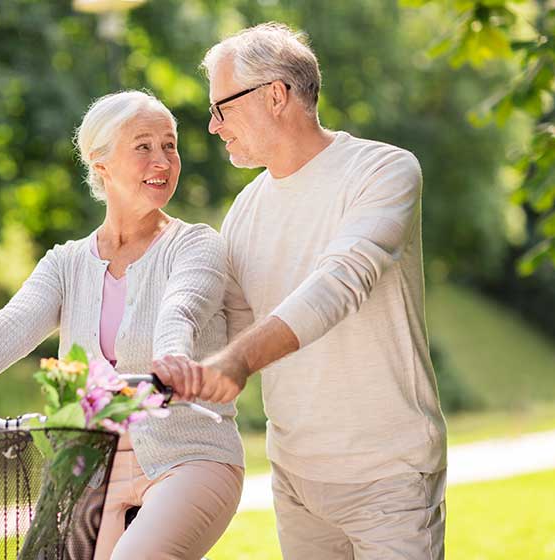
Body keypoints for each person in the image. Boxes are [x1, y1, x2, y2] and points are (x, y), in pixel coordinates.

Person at [0, 90, 244, 560]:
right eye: (143, 146)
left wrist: (173, 359)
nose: (163, 159)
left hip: (188, 454)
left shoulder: (195, 246)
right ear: (100, 164)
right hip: (87, 464)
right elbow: (16, 320)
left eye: (170, 144)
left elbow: (181, 308)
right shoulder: (67, 262)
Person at [153, 23, 447, 560]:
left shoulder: (382, 170)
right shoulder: (245, 210)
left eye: (222, 108)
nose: (214, 127)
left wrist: (235, 362)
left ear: (275, 95)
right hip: (297, 480)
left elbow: (341, 282)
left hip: (389, 473)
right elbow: (228, 330)